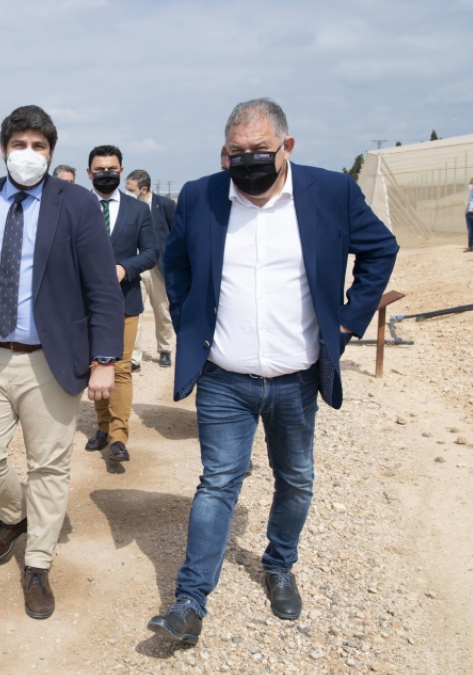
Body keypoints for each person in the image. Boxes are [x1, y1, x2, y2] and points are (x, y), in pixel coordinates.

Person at [147, 99, 398, 645]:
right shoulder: (201, 195)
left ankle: (279, 564)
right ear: (224, 153)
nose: (248, 160)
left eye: (260, 150)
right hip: (224, 376)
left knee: (296, 478)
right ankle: (190, 600)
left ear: (287, 146)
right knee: (218, 482)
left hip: (296, 378)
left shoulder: (331, 192)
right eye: (236, 152)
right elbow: (176, 262)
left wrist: (347, 323)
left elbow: (381, 249)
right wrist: (191, 321)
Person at [0, 105, 123, 620]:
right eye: (19, 144)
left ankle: (38, 562)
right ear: (3, 150)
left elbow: (102, 289)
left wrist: (105, 359)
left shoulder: (77, 204)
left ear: (51, 152)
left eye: (38, 146)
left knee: (48, 465)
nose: (28, 153)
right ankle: (14, 515)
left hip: (50, 358)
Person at [82, 146, 158, 462]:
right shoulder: (77, 206)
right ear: (89, 173)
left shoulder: (137, 210)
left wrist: (125, 268)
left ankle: (118, 435)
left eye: (112, 169)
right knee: (95, 365)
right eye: (100, 169)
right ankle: (102, 426)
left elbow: (151, 252)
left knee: (120, 368)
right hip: (84, 304)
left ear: (121, 170)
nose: (106, 174)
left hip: (124, 301)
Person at [126, 169, 177, 370]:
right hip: (135, 266)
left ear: (144, 189)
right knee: (134, 313)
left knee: (162, 310)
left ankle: (164, 349)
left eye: (131, 189)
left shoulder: (165, 205)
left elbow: (176, 235)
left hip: (159, 267)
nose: (127, 193)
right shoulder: (128, 207)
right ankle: (134, 357)